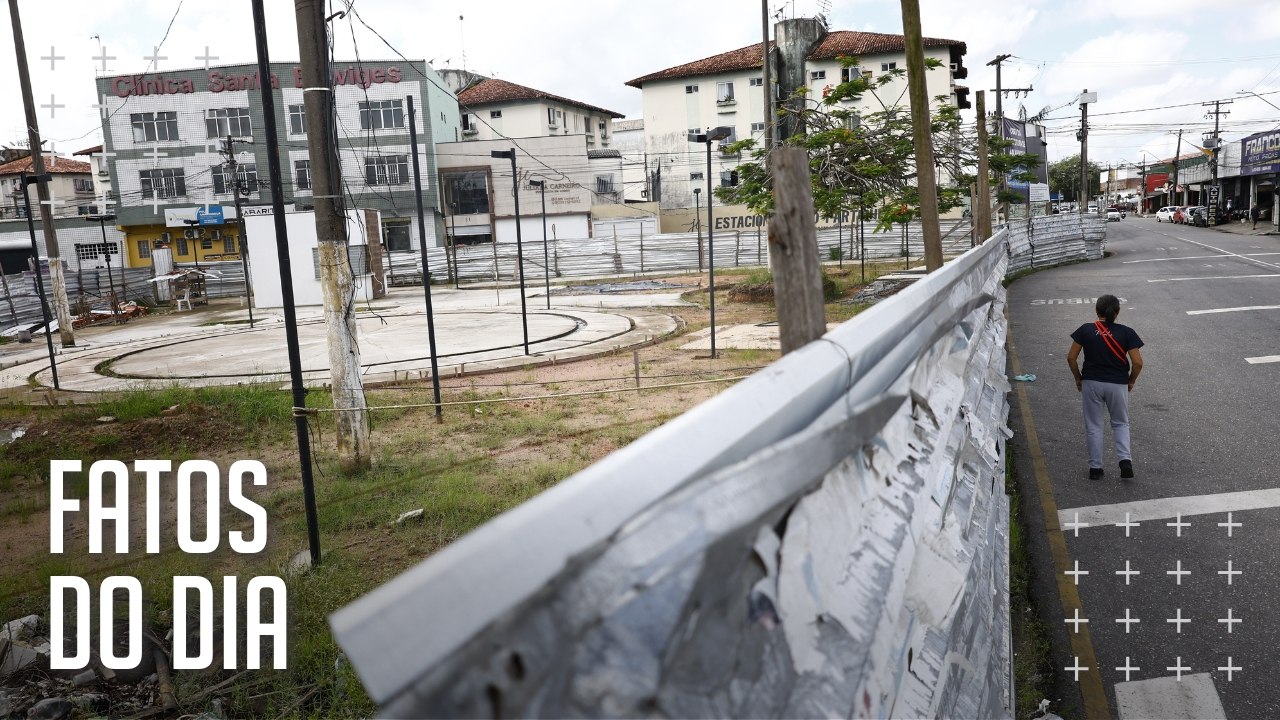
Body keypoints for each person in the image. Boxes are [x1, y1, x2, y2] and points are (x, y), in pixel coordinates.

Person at [1067, 295, 1144, 480]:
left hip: (1091, 382)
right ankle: (1125, 461)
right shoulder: (1127, 332)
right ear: (1117, 312)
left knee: (1094, 425)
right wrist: (1131, 381)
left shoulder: (1085, 330)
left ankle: (1095, 468)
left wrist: (1078, 378)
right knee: (1120, 423)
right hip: (1118, 384)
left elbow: (1071, 357)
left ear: (1096, 311)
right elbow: (1138, 362)